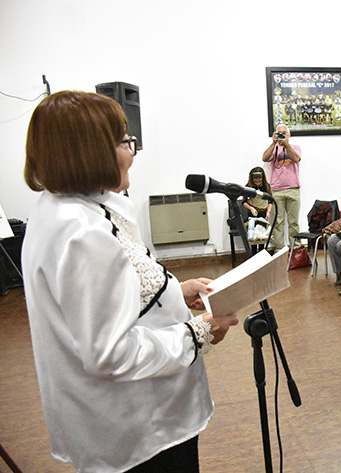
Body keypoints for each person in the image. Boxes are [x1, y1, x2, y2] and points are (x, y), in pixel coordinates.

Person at [21, 91, 240, 472]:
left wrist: (175, 290)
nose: (133, 151)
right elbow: (110, 353)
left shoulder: (69, 209)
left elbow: (119, 285)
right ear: (89, 151)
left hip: (128, 418)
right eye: (125, 141)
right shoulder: (82, 232)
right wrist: (197, 332)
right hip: (140, 428)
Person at [262, 124, 302, 249]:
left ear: (289, 135)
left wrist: (286, 145)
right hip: (276, 190)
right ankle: (279, 250)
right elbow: (264, 158)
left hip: (293, 189)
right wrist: (273, 144)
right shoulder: (273, 149)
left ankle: (295, 250)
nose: (282, 135)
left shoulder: (295, 147)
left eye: (284, 133)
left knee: (293, 223)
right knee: (277, 222)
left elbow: (296, 158)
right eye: (279, 133)